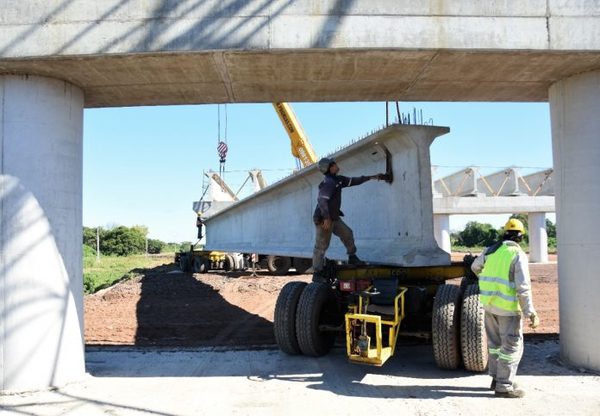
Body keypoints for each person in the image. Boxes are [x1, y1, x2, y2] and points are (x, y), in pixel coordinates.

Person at [471, 218, 540, 398]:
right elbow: (522, 287)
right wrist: (530, 312)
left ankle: (495, 379)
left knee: (494, 346)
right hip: (508, 310)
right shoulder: (517, 254)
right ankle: (504, 386)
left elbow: (474, 267)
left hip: (490, 306)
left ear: (505, 233)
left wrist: (488, 280)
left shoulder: (491, 250)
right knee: (511, 347)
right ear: (520, 237)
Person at [312, 157, 388, 282]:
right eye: (334, 164)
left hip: (333, 218)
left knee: (347, 233)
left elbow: (354, 181)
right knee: (321, 246)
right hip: (323, 219)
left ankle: (352, 256)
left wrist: (372, 177)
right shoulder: (329, 182)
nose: (337, 165)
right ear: (330, 168)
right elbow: (322, 200)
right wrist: (326, 218)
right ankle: (317, 273)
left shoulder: (338, 180)